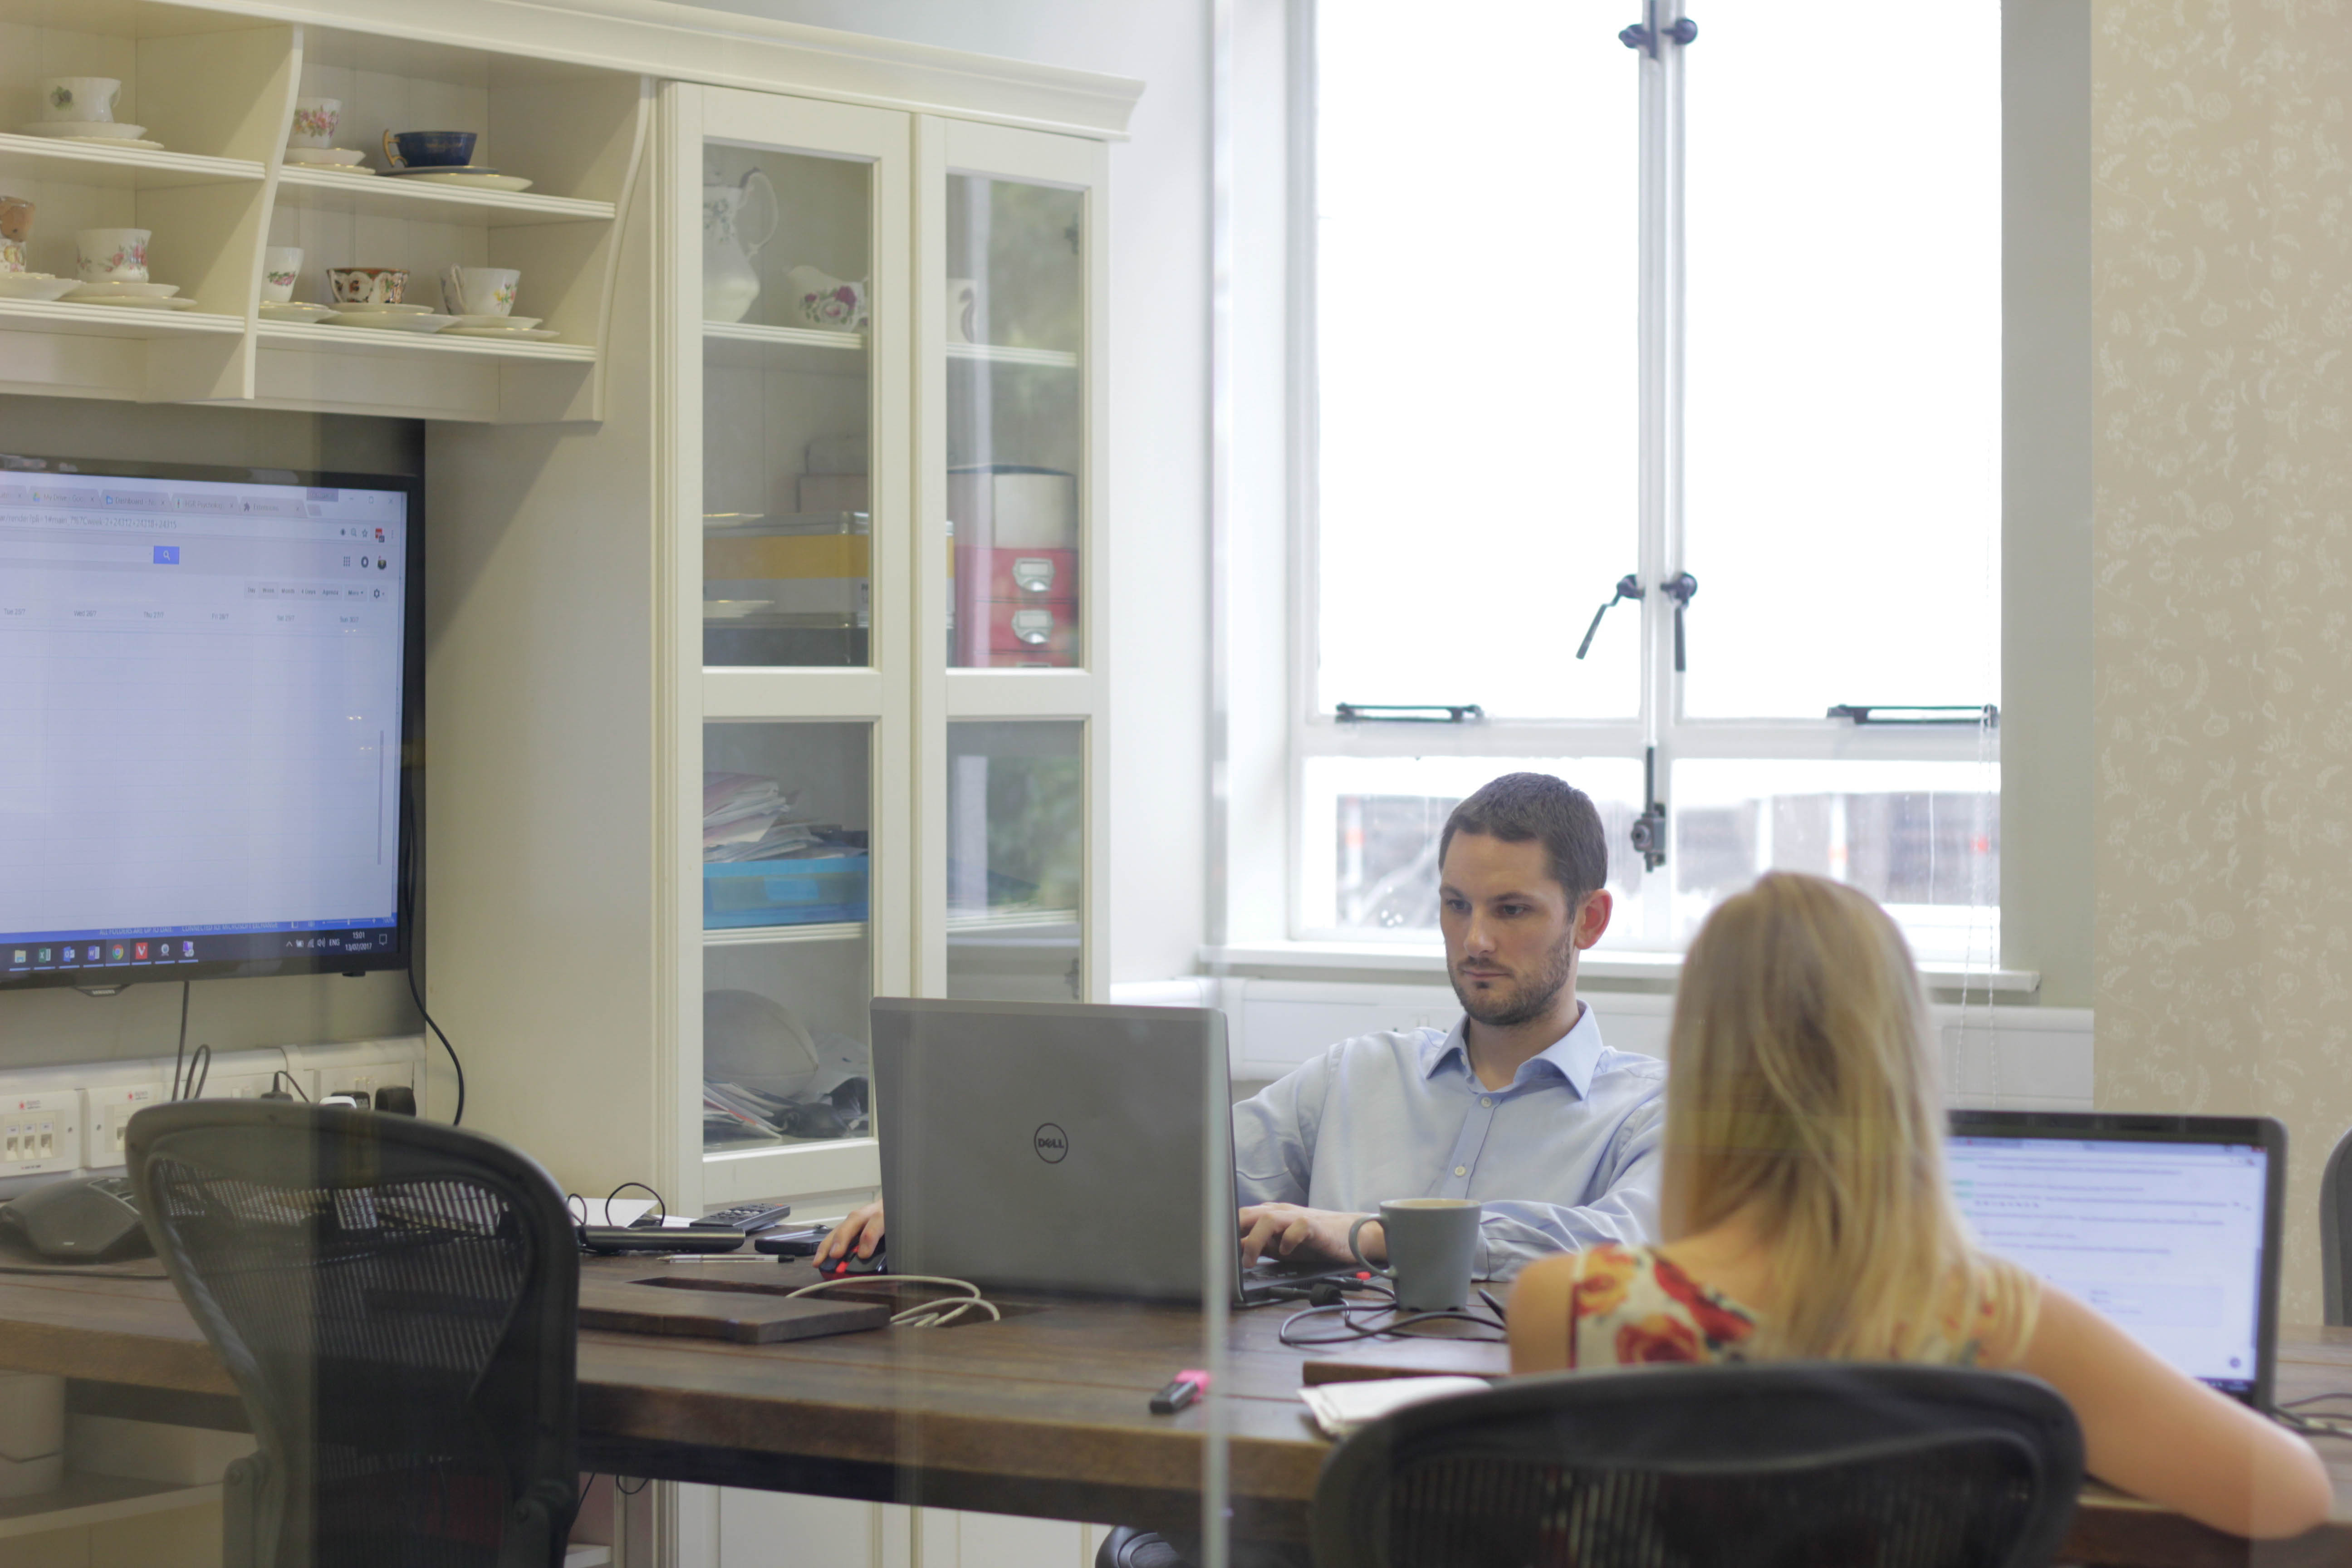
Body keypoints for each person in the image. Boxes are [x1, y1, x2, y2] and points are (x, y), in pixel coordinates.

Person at [1507, 872, 2331, 1541]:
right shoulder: (2004, 1323)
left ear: (1698, 1064)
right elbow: (2291, 1496)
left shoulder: (1562, 1305)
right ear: (1896, 1064)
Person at [819, 772, 1665, 1279]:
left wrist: (1369, 1235)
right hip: (1300, 1429)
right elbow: (1154, 1182)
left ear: (1588, 921)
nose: (1475, 940)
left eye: (1512, 910)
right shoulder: (1356, 1077)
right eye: (1455, 905)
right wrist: (952, 1207)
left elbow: (1621, 1249)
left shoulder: (1649, 1113)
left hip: (1507, 1472)